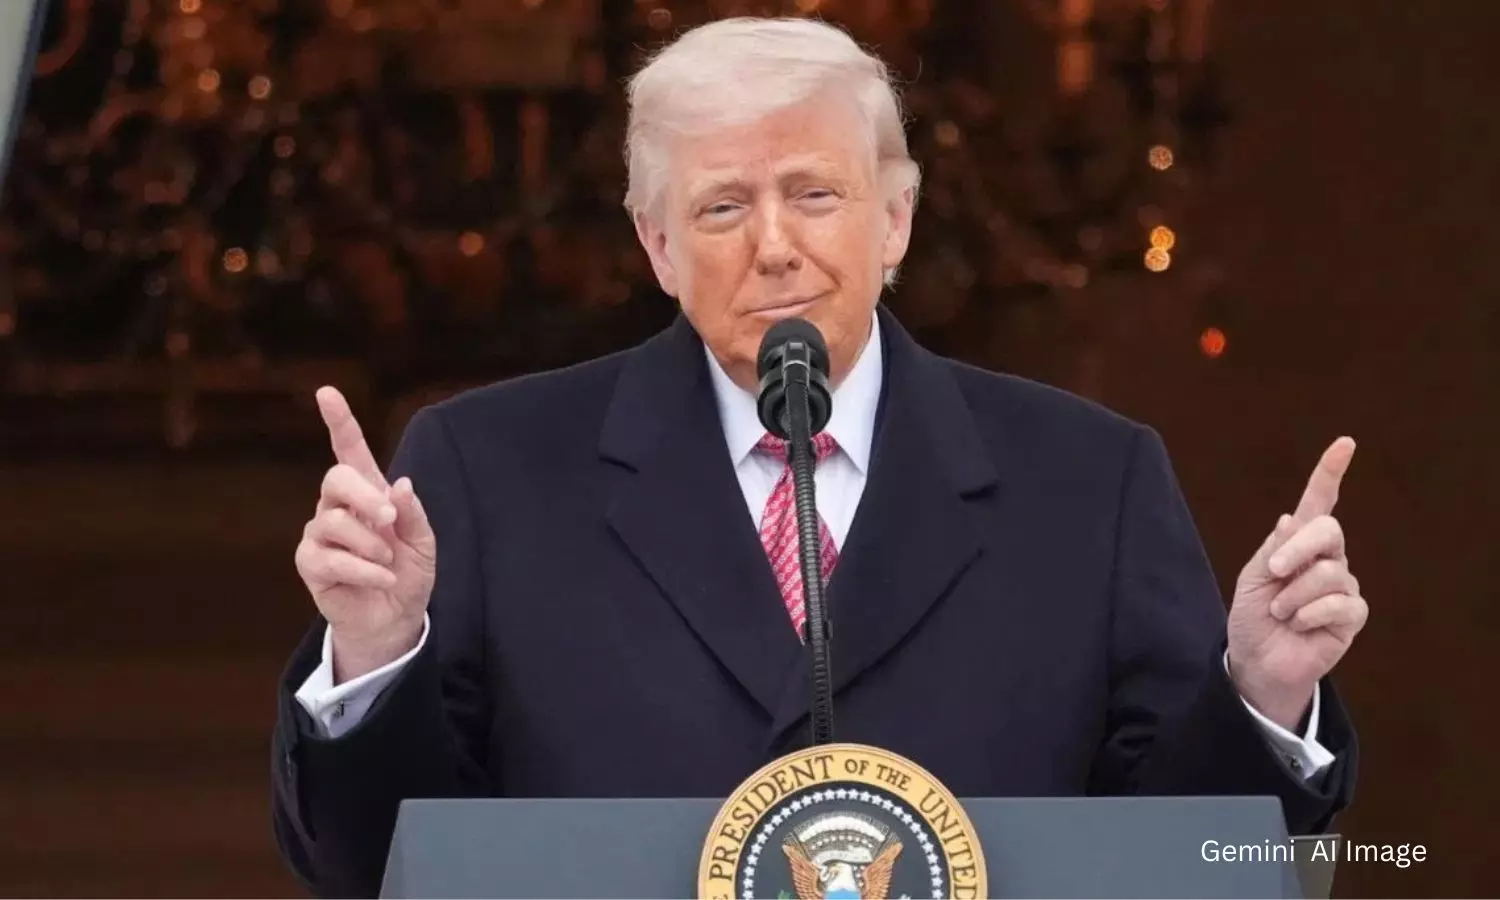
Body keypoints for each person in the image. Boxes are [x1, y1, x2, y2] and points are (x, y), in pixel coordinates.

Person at [271, 17, 1366, 898]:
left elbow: (1197, 865)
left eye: (814, 194)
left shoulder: (1089, 480)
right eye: (722, 207)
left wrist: (1263, 697)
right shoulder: (487, 468)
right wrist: (375, 656)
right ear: (657, 245)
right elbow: (373, 867)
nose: (774, 246)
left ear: (895, 219)